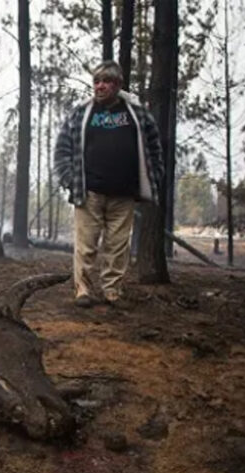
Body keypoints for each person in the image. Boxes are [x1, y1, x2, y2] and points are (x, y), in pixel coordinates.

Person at [53, 61, 164, 307]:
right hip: (89, 192)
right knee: (86, 245)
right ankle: (83, 290)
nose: (100, 86)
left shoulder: (137, 113)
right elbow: (62, 150)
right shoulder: (82, 112)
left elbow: (155, 149)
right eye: (97, 81)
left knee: (117, 247)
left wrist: (153, 177)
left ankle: (112, 291)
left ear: (118, 85)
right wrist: (69, 179)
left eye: (106, 81)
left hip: (124, 193)